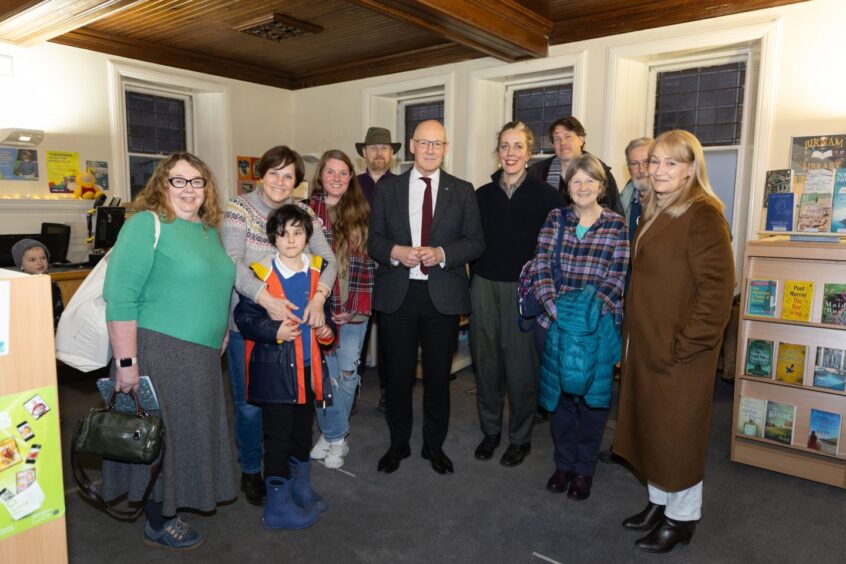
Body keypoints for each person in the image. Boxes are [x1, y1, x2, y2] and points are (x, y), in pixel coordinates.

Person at [102, 152, 236, 550]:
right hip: (158, 349)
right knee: (163, 438)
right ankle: (159, 522)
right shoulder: (146, 225)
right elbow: (120, 299)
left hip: (200, 355)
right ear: (162, 184)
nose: (189, 189)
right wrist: (127, 364)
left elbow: (214, 286)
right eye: (179, 181)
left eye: (197, 181)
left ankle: (173, 504)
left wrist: (222, 332)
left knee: (187, 434)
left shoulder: (208, 229)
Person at [613, 130, 735, 553]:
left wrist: (686, 347)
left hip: (681, 353)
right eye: (654, 162)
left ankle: (682, 519)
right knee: (653, 429)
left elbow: (717, 292)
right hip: (649, 346)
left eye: (671, 163)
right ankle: (659, 503)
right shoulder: (655, 208)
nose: (658, 170)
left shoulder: (703, 214)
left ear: (690, 169)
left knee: (677, 435)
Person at [222, 145, 337, 506]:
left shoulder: (302, 213)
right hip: (251, 326)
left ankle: (286, 469)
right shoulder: (238, 208)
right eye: (274, 172)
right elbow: (232, 262)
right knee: (250, 405)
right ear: (262, 174)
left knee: (294, 405)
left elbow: (329, 261)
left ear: (298, 183)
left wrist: (318, 299)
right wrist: (266, 299)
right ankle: (252, 470)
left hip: (299, 333)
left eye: (289, 176)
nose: (280, 181)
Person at [369, 119, 485, 475]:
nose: (431, 149)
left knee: (437, 378)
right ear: (412, 145)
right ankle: (398, 444)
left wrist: (442, 253)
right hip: (398, 296)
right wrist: (396, 252)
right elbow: (374, 241)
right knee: (398, 378)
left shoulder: (463, 190)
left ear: (445, 149)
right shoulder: (388, 189)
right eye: (425, 143)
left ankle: (434, 446)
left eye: (438, 144)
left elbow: (475, 242)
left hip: (443, 297)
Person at [525, 153, 629, 501]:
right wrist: (555, 310)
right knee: (560, 399)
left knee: (593, 401)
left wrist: (584, 317)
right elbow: (540, 265)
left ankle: (585, 470)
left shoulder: (617, 225)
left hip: (595, 327)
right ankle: (563, 464)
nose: (583, 187)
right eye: (575, 181)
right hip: (552, 323)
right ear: (567, 187)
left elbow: (616, 278)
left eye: (590, 181)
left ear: (601, 186)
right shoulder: (555, 218)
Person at [234, 204, 335, 530]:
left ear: (308, 236)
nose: (291, 239)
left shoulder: (318, 272)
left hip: (308, 371)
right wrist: (274, 331)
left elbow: (325, 318)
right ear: (273, 239)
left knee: (302, 432)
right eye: (283, 233)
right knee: (277, 438)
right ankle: (277, 506)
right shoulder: (259, 274)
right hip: (276, 374)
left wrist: (325, 330)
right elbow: (245, 320)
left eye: (297, 232)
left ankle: (300, 487)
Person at [470, 121, 563, 467]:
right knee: (487, 364)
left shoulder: (547, 197)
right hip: (483, 286)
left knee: (522, 370)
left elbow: (555, 249)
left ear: (529, 152)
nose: (510, 153)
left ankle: (520, 438)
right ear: (498, 151)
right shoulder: (481, 195)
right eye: (504, 146)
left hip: (524, 291)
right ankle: (490, 431)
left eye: (517, 147)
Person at [307, 150, 375, 469]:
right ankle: (336, 436)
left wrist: (353, 309)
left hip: (355, 307)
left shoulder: (363, 211)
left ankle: (332, 436)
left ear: (351, 177)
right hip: (320, 307)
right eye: (330, 172)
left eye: (343, 173)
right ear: (320, 175)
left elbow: (370, 265)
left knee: (347, 374)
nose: (336, 178)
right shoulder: (306, 212)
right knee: (324, 377)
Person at [598, 135, 654, 466]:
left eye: (645, 161)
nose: (639, 168)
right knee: (628, 376)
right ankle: (625, 444)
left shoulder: (671, 203)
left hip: (654, 307)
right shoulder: (626, 200)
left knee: (649, 379)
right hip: (625, 299)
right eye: (632, 162)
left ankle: (648, 447)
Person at [356, 127, 401, 412]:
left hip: (389, 270)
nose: (379, 153)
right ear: (364, 153)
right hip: (357, 269)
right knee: (355, 335)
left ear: (392, 153)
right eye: (373, 148)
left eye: (384, 148)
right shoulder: (351, 185)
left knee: (389, 337)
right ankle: (351, 388)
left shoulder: (402, 185)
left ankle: (388, 391)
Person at [528, 116, 624, 217]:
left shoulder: (601, 173)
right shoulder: (538, 173)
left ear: (581, 139)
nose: (562, 143)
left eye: (568, 136)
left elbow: (616, 214)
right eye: (557, 139)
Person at [11, 238, 63, 328]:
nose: (39, 262)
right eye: (32, 260)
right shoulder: (17, 287)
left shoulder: (52, 285)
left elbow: (59, 314)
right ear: (21, 265)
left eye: (43, 258)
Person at [620, 137, 654, 242]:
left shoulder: (673, 203)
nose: (642, 170)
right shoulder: (619, 204)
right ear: (628, 168)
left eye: (647, 162)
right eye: (634, 164)